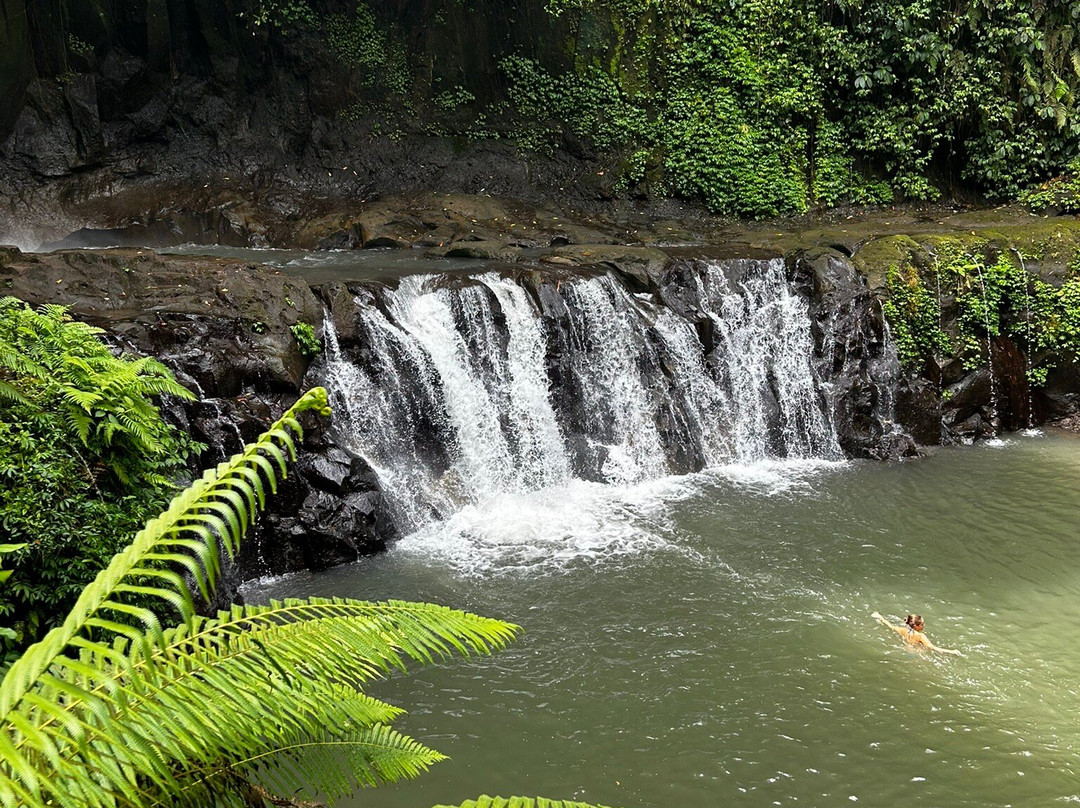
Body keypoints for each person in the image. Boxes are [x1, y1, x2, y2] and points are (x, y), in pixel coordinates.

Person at [871, 611, 963, 656]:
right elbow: (932, 647)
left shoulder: (903, 630)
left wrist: (881, 618)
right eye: (922, 624)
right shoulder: (920, 636)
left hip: (905, 650)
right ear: (916, 626)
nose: (923, 626)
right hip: (915, 654)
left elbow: (890, 626)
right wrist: (952, 651)